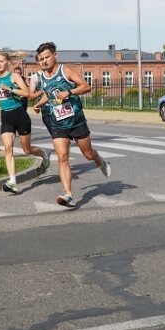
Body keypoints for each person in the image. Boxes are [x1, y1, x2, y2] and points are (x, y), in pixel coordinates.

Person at [32, 41, 110, 208]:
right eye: (41, 59)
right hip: (57, 122)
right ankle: (69, 195)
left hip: (76, 120)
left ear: (55, 56)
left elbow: (86, 86)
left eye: (47, 57)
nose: (44, 61)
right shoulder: (42, 77)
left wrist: (69, 92)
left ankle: (99, 160)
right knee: (62, 157)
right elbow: (49, 95)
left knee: (87, 154)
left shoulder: (65, 70)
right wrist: (39, 104)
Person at [0, 53, 50, 194]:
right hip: (6, 116)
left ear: (8, 63)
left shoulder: (14, 77)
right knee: (8, 149)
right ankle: (13, 181)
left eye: (1, 61)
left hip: (20, 115)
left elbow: (26, 92)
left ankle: (44, 154)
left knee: (27, 150)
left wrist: (10, 89)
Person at [28, 53, 53, 136]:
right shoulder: (35, 77)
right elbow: (31, 96)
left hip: (61, 107)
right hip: (47, 111)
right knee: (57, 137)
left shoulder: (57, 73)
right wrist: (40, 92)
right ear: (37, 62)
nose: (44, 61)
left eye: (45, 58)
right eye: (41, 60)